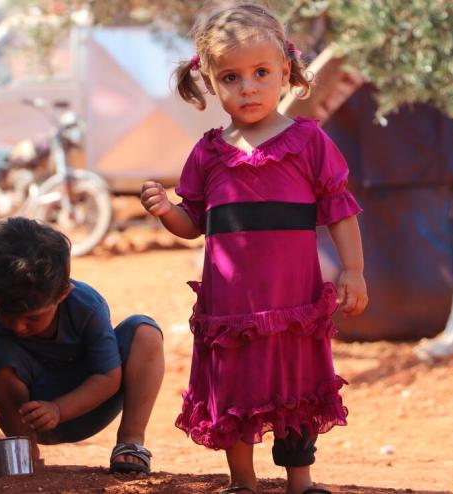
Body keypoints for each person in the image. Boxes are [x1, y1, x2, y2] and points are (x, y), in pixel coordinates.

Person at [140, 4, 368, 494]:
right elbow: (194, 224)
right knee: (235, 388)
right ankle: (241, 482)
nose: (248, 88)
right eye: (231, 77)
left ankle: (299, 483)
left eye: (262, 73)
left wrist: (354, 269)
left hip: (293, 303)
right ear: (209, 82)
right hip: (232, 308)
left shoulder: (308, 141)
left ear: (285, 71)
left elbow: (339, 208)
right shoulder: (208, 152)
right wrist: (164, 210)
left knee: (298, 386)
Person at [0, 216, 164, 475]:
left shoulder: (87, 307)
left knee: (145, 332)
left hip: (89, 405)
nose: (18, 327)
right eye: (7, 313)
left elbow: (107, 376)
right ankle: (25, 453)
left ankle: (130, 443)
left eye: (32, 317)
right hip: (24, 417)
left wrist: (59, 409)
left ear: (62, 295)